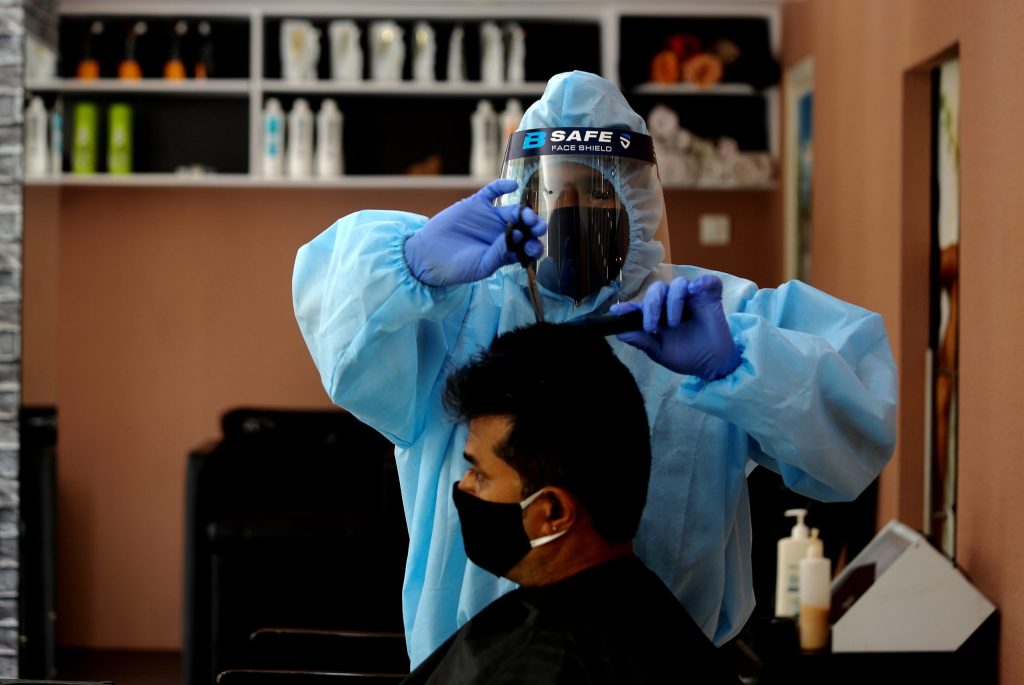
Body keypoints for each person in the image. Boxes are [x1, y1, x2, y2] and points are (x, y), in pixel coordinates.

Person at [292, 70, 898, 666]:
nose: (573, 211)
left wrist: (739, 361)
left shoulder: (710, 316)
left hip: (664, 667)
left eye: (600, 192)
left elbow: (857, 430)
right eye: (552, 192)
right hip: (482, 667)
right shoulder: (453, 318)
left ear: (638, 200)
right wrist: (410, 266)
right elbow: (342, 337)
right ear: (521, 196)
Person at [403, 322, 740, 684]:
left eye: (480, 474)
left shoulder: (543, 663)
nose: (464, 486)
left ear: (554, 513)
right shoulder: (666, 631)